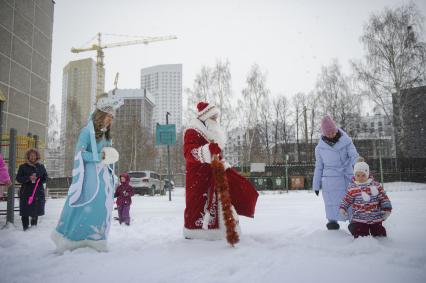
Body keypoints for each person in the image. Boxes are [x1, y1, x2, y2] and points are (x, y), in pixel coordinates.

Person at [51, 93, 123, 253]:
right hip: (89, 177)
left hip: (103, 176)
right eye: (108, 116)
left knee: (102, 207)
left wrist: (109, 156)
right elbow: (80, 153)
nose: (111, 120)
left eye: (112, 117)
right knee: (87, 204)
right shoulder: (86, 132)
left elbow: (105, 152)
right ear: (101, 115)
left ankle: (96, 239)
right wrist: (99, 156)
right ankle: (75, 238)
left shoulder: (106, 134)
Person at [183, 101, 259, 240]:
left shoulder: (211, 133)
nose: (215, 120)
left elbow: (215, 154)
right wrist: (207, 151)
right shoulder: (192, 131)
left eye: (216, 117)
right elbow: (189, 152)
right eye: (213, 117)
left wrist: (222, 163)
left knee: (228, 197)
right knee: (200, 205)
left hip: (215, 175)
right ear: (205, 118)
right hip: (199, 178)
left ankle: (225, 231)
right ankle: (197, 232)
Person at [312, 115, 359, 230]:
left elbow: (354, 156)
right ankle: (332, 221)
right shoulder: (319, 148)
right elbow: (318, 167)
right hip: (330, 180)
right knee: (331, 202)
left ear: (336, 129)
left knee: (350, 200)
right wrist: (316, 185)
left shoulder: (346, 141)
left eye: (332, 132)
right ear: (324, 133)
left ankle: (353, 222)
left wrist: (359, 166)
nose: (331, 135)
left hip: (346, 176)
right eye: (328, 134)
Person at [339, 161, 392, 238]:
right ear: (354, 175)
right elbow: (347, 199)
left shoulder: (376, 186)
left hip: (376, 217)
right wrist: (343, 208)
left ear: (367, 174)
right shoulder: (352, 188)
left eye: (363, 175)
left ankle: (382, 244)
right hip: (360, 218)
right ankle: (356, 232)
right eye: (358, 175)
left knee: (380, 235)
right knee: (361, 236)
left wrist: (387, 209)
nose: (360, 178)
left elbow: (383, 198)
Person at [16, 148, 48, 230]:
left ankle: (33, 230)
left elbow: (45, 178)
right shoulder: (22, 167)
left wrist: (39, 179)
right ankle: (25, 228)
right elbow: (18, 178)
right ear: (28, 156)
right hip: (26, 192)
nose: (33, 157)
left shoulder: (41, 166)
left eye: (34, 155)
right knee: (25, 212)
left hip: (37, 192)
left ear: (37, 156)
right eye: (31, 155)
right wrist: (28, 178)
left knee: (35, 211)